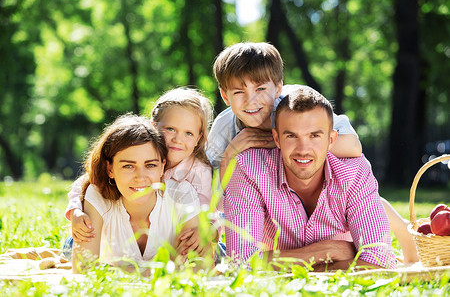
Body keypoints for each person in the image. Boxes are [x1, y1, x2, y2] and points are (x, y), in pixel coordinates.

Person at [207, 42, 418, 263]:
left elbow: (353, 147)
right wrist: (230, 156)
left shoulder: (297, 104)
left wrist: (283, 142)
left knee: (355, 191)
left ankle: (404, 235)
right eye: (239, 92)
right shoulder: (224, 129)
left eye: (260, 89)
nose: (251, 100)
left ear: (278, 87)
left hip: (317, 177)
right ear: (224, 95)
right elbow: (217, 196)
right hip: (265, 192)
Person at [224, 86, 397, 270]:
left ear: (331, 140)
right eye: (291, 136)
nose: (303, 149)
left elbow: (381, 260)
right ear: (276, 138)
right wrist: (328, 251)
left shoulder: (354, 173)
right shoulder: (248, 169)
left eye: (314, 136)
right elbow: (240, 262)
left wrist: (296, 269)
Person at [66, 87, 216, 258]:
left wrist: (205, 231)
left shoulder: (198, 172)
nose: (178, 139)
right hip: (112, 233)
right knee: (74, 244)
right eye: (171, 129)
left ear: (198, 137)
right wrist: (76, 210)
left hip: (174, 236)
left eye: (188, 133)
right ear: (153, 126)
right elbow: (89, 181)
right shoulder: (139, 150)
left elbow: (210, 215)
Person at [72, 114, 201, 273]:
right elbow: (82, 270)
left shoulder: (182, 194)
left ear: (162, 166)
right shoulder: (97, 194)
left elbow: (201, 268)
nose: (140, 177)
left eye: (151, 165)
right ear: (110, 169)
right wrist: (166, 270)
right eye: (128, 166)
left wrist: (117, 270)